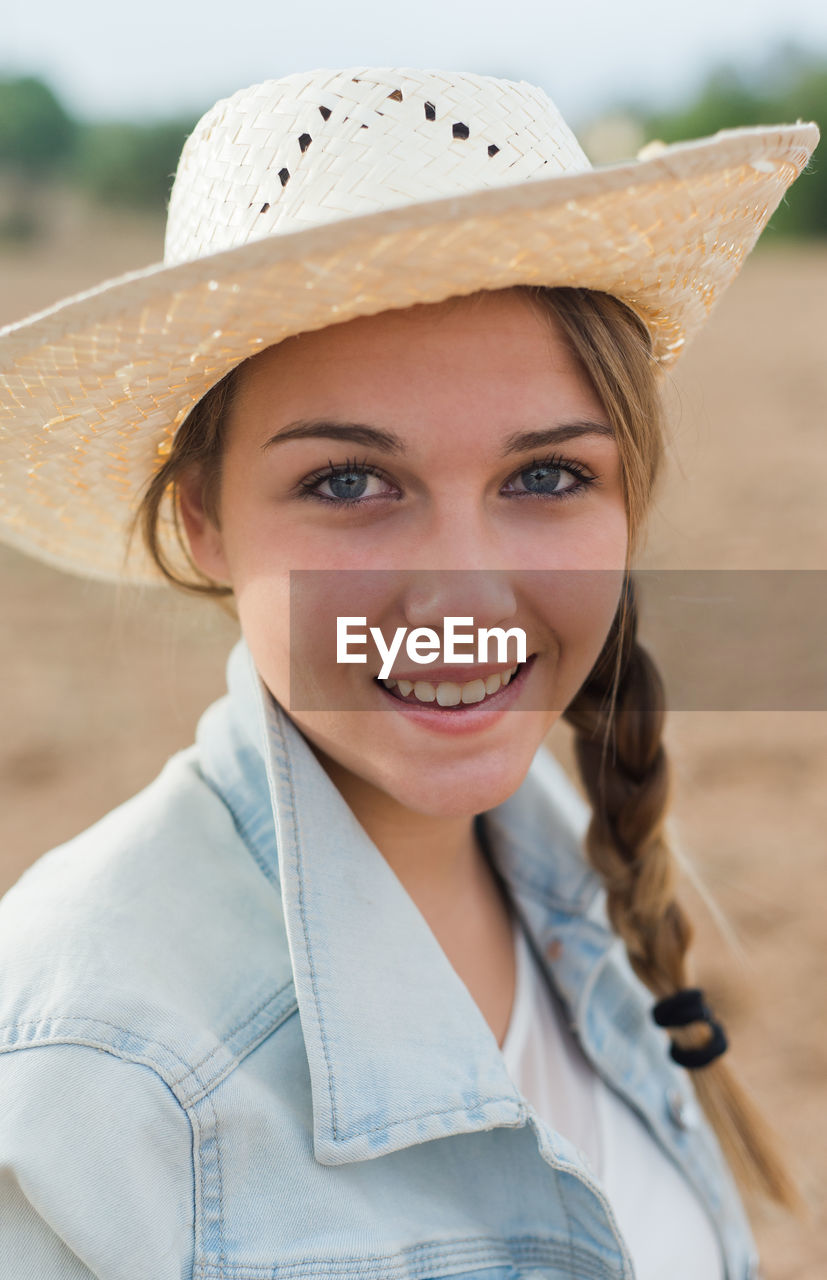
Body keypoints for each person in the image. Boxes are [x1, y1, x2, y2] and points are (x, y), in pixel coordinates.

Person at [0, 67, 818, 1280]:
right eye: (347, 482)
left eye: (543, 476)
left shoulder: (576, 861)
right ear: (203, 522)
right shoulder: (82, 1088)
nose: (463, 596)